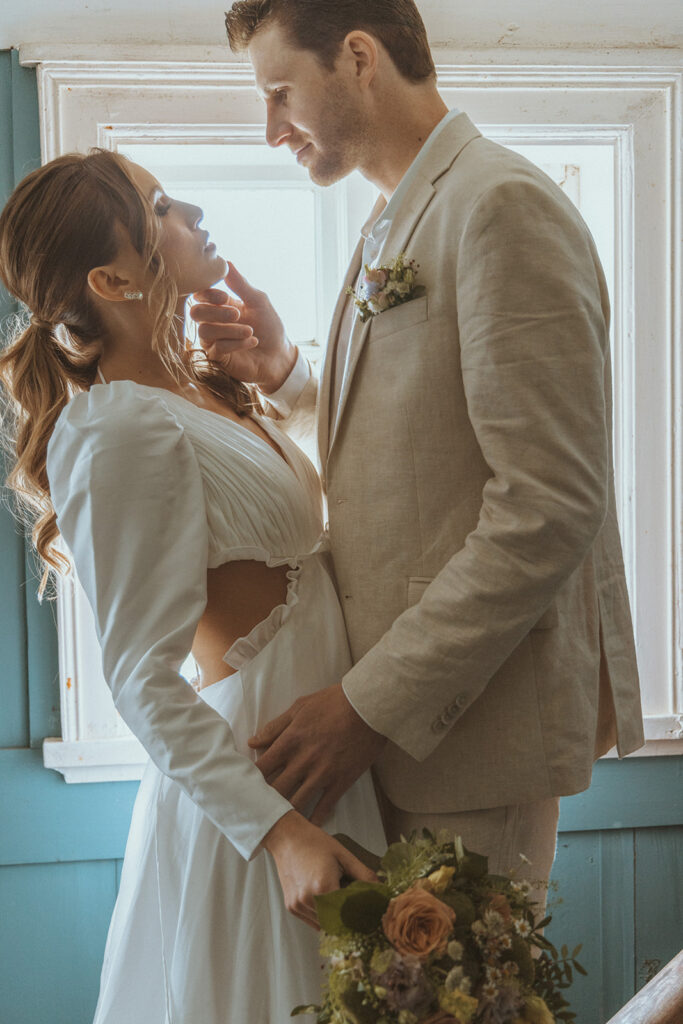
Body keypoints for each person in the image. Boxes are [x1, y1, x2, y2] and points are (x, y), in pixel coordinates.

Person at [191, 0, 646, 902]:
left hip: (472, 737)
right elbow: (407, 460)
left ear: (358, 57)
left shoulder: (500, 206)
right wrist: (285, 377)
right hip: (390, 745)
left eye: (281, 94)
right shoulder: (389, 224)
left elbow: (548, 506)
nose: (271, 129)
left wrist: (365, 704)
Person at [0, 148, 386, 1023]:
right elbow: (138, 677)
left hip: (330, 751)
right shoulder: (118, 430)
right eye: (164, 206)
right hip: (268, 798)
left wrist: (280, 373)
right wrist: (278, 834)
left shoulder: (202, 391)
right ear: (113, 276)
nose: (193, 213)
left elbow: (340, 503)